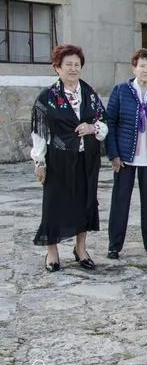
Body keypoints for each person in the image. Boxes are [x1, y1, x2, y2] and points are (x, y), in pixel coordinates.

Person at [31, 44, 108, 272]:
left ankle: (81, 249)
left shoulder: (90, 94)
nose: (73, 69)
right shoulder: (47, 98)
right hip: (58, 160)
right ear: (57, 68)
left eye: (77, 65)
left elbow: (104, 123)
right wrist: (39, 162)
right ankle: (52, 252)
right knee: (55, 205)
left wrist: (92, 127)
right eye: (68, 65)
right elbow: (39, 133)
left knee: (84, 203)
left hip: (86, 159)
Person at [104, 48, 147, 260]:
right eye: (141, 65)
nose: (145, 70)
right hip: (125, 156)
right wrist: (113, 154)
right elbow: (110, 122)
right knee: (120, 201)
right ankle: (114, 245)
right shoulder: (121, 90)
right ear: (134, 67)